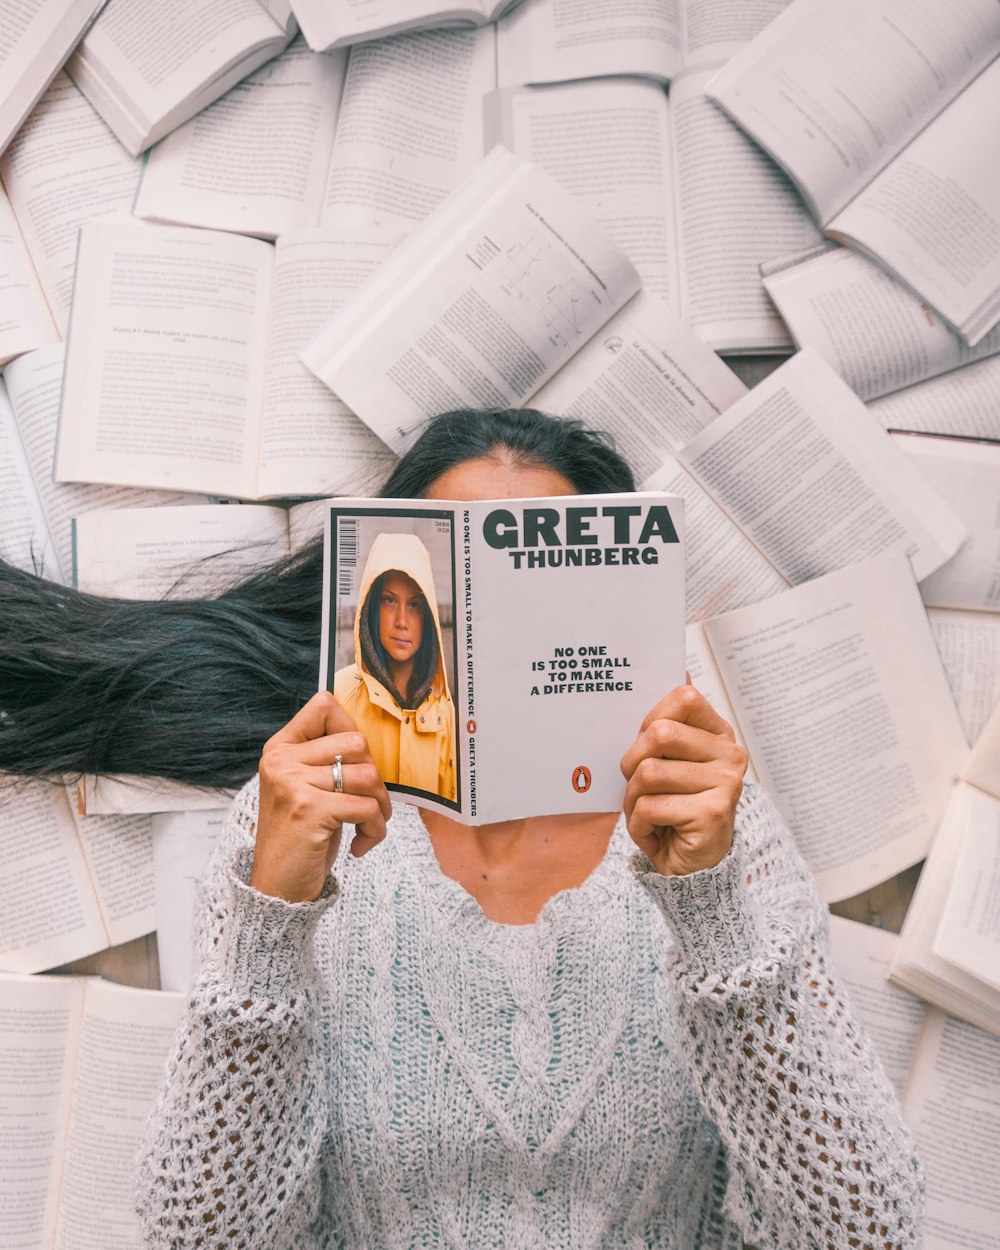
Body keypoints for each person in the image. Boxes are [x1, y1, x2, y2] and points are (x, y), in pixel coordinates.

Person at [0, 409, 922, 1249]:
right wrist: (270, 915)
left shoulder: (713, 826)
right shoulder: (309, 820)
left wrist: (710, 908)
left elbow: (864, 1228)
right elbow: (203, 1237)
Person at [333, 531, 456, 802]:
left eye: (414, 605)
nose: (402, 621)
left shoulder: (443, 708)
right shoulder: (340, 693)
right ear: (372, 607)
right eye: (390, 600)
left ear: (429, 617)